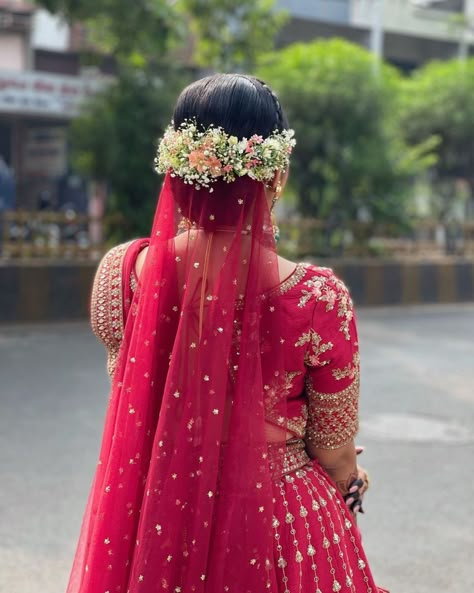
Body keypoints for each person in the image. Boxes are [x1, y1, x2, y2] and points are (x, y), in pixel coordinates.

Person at [67, 74, 386, 593]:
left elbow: (135, 397)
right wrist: (353, 483)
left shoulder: (123, 271)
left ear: (177, 168)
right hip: (279, 521)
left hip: (159, 510)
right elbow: (333, 448)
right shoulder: (317, 297)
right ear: (275, 174)